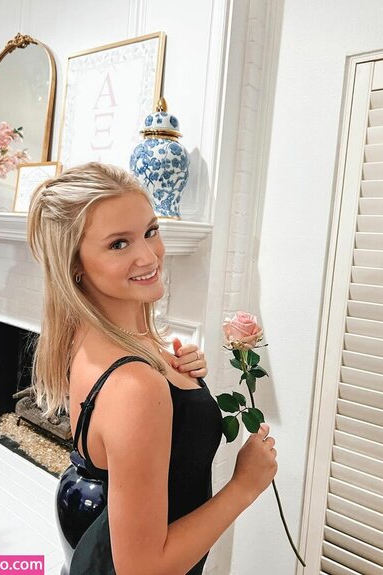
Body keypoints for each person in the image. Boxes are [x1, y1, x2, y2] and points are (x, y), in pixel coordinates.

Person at [27, 162, 277, 575]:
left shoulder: (92, 339)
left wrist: (177, 378)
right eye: (118, 244)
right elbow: (143, 569)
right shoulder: (134, 385)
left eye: (150, 231)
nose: (148, 255)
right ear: (75, 265)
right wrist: (244, 486)